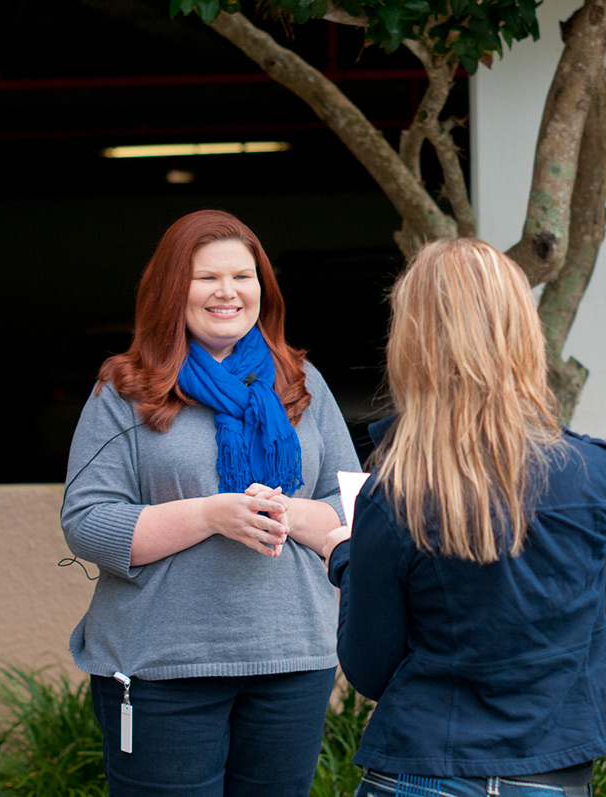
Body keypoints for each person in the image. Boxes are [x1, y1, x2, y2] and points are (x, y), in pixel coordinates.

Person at [288, 238, 606, 797]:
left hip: (426, 769)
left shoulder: (396, 495)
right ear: (523, 332)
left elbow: (371, 668)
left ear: (412, 343)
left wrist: (343, 551)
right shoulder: (595, 473)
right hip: (550, 775)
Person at [61, 209, 361, 796]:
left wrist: (285, 513)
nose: (227, 292)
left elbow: (351, 505)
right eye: (206, 278)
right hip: (162, 664)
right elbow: (88, 523)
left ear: (262, 288)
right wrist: (210, 514)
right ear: (173, 288)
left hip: (292, 657)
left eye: (243, 277)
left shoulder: (301, 380)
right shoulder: (126, 388)